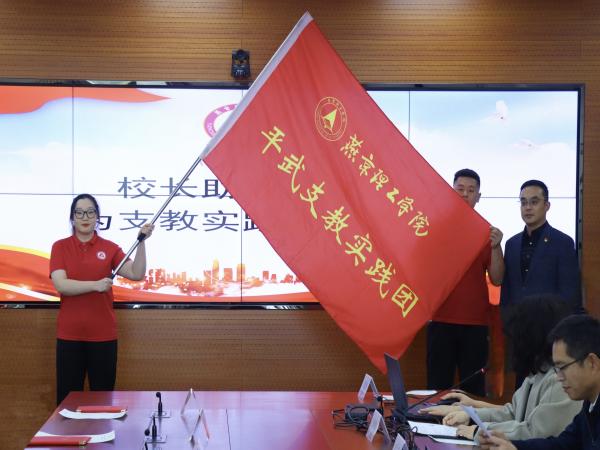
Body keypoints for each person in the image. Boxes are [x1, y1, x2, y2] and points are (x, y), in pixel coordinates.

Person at [421, 296, 581, 442]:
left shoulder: (559, 379)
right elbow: (513, 413)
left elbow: (534, 433)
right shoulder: (537, 372)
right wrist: (470, 415)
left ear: (532, 336)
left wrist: (480, 430)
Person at [50, 193, 154, 405]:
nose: (85, 217)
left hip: (103, 337)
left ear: (97, 217)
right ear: (72, 217)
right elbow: (61, 285)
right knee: (67, 404)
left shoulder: (109, 248)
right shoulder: (60, 247)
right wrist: (95, 285)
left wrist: (141, 242)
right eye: (79, 213)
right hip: (70, 336)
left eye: (90, 212)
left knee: (103, 402)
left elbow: (136, 273)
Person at [426, 169, 504, 396]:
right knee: (437, 388)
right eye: (460, 189)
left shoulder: (486, 232)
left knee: (473, 390)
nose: (464, 194)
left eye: (471, 190)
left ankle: (469, 422)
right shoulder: (435, 227)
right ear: (451, 192)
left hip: (475, 324)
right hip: (440, 319)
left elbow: (497, 278)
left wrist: (496, 247)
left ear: (478, 196)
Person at [479, 314, 600, 450]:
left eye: (562, 367)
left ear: (592, 363)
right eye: (556, 369)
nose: (559, 377)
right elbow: (562, 445)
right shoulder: (589, 405)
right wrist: (513, 446)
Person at [500, 179, 582, 312]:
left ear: (547, 206)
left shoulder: (563, 242)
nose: (528, 207)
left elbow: (569, 293)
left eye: (534, 202)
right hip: (516, 322)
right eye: (523, 202)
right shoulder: (511, 244)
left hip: (551, 321)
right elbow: (506, 292)